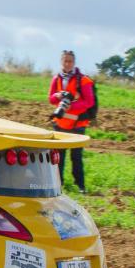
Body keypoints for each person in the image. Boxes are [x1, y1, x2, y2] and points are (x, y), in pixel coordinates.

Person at [48, 50, 95, 194]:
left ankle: (80, 186)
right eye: (65, 61)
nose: (67, 63)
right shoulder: (56, 78)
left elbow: (89, 102)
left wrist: (70, 106)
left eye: (70, 61)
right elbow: (51, 99)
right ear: (61, 61)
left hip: (77, 125)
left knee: (77, 157)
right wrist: (58, 95)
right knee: (58, 158)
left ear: (74, 62)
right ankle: (58, 185)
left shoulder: (84, 80)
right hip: (60, 124)